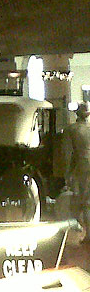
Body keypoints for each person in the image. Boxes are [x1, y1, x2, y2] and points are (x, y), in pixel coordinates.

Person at [64, 102, 90, 240]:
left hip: (82, 166)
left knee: (84, 201)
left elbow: (68, 154)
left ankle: (88, 234)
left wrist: (67, 173)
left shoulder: (72, 129)